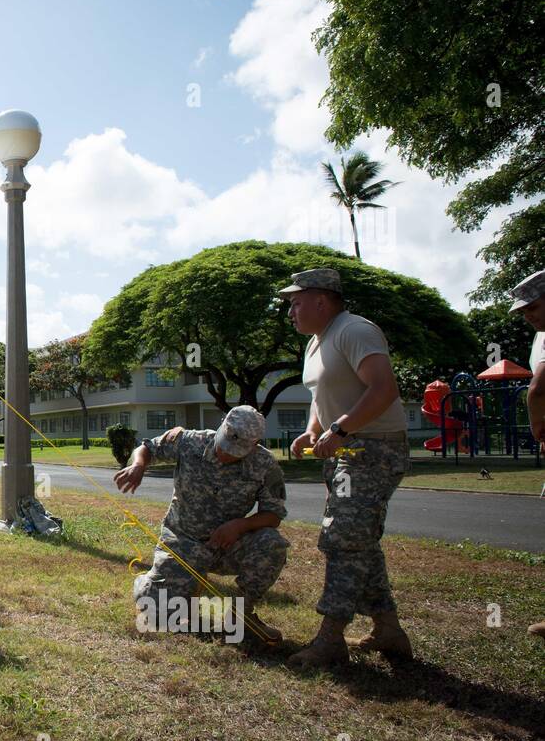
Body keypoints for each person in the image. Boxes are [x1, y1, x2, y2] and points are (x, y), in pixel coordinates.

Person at [280, 268, 412, 668]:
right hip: (345, 448)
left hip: (374, 449)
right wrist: (312, 430)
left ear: (322, 301)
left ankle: (330, 638)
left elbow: (384, 389)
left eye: (296, 302)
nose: (291, 312)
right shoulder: (316, 343)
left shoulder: (355, 331)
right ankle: (388, 630)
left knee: (341, 539)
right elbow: (322, 396)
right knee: (359, 541)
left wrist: (339, 429)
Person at [116, 405, 288, 643]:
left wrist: (239, 525)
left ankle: (240, 615)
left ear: (255, 443)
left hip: (227, 544)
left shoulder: (265, 465)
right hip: (182, 541)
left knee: (272, 543)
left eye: (237, 451)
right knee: (156, 615)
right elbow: (147, 447)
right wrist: (138, 465)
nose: (227, 454)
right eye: (226, 444)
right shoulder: (189, 442)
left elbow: (274, 514)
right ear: (222, 426)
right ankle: (149, 582)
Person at [508, 268, 545, 639]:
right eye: (524, 311)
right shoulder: (540, 337)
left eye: (533, 306)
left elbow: (538, 388)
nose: (529, 315)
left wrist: (538, 428)